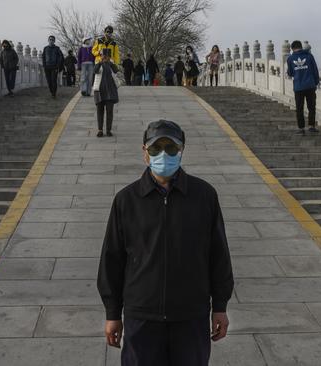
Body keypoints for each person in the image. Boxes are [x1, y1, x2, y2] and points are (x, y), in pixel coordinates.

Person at [97, 119, 234, 366]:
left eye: (171, 149)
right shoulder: (126, 200)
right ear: (145, 153)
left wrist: (220, 306)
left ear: (181, 151)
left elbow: (218, 255)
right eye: (155, 149)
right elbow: (112, 260)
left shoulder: (204, 196)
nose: (163, 155)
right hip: (142, 316)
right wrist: (112, 313)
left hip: (190, 314)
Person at [286, 40, 320, 135]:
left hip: (298, 87)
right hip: (310, 86)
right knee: (311, 107)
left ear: (292, 49)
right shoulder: (309, 56)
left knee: (299, 108)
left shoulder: (290, 58)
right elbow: (315, 70)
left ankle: (301, 128)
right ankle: (311, 126)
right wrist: (316, 82)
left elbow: (290, 73)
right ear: (301, 47)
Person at [93, 48, 119, 138]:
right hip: (99, 91)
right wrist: (100, 62)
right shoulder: (98, 64)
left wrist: (110, 62)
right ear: (101, 56)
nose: (105, 57)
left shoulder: (111, 64)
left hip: (110, 92)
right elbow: (95, 71)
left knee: (109, 111)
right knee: (100, 111)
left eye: (107, 56)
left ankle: (108, 130)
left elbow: (116, 70)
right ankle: (100, 130)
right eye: (104, 55)